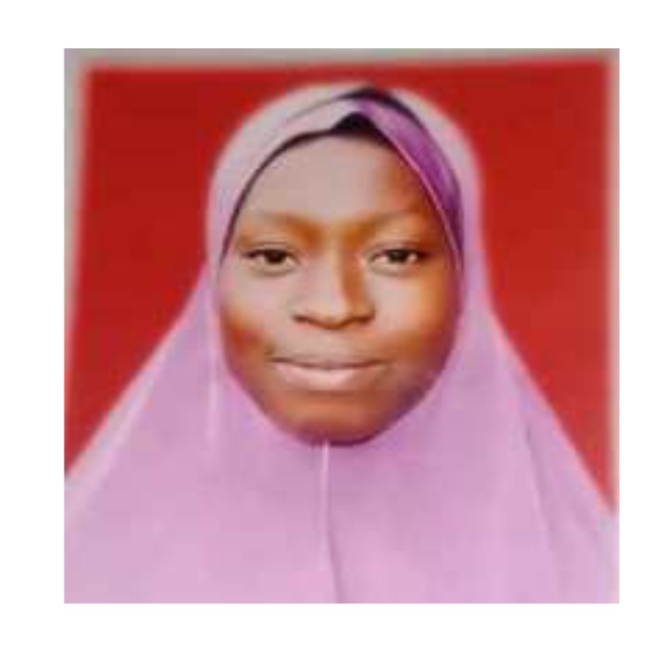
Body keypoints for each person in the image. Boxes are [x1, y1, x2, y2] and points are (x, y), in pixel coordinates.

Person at [65, 83, 616, 602]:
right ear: (214, 281)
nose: (333, 306)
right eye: (274, 256)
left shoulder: (594, 580)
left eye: (396, 255)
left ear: (464, 286)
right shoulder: (81, 565)